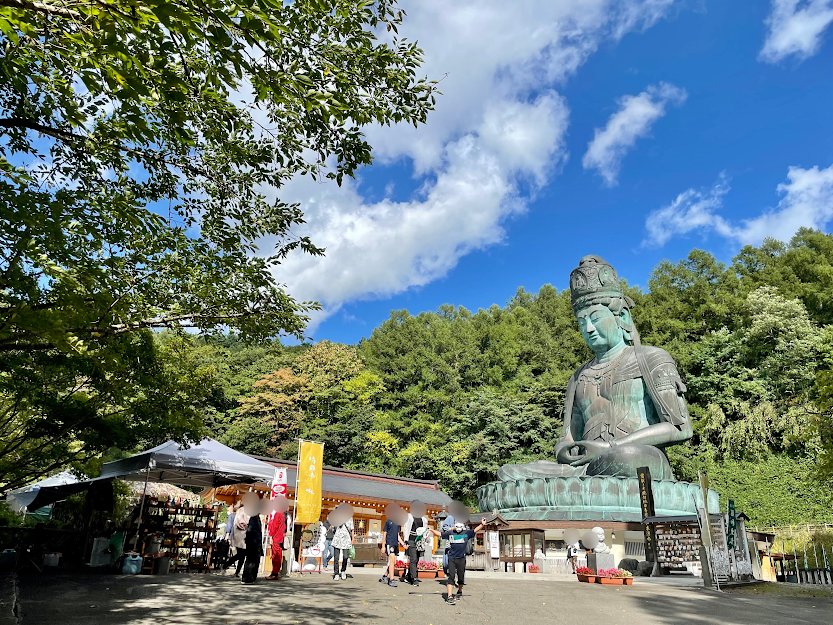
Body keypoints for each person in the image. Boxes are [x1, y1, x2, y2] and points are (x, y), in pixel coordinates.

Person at [429, 518, 486, 605]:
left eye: (460, 525)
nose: (458, 527)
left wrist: (482, 524)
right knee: (451, 577)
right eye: (457, 525)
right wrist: (432, 530)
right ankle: (449, 596)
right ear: (454, 525)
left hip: (461, 558)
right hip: (451, 558)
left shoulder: (466, 533)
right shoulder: (450, 533)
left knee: (460, 578)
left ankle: (459, 590)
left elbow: (475, 530)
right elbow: (440, 534)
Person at [402, 504, 430, 586]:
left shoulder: (424, 519)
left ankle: (409, 576)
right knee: (413, 559)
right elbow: (406, 528)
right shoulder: (409, 516)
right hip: (411, 538)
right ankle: (414, 578)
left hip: (419, 540)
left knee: (417, 559)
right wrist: (405, 540)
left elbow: (425, 529)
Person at [241, 498, 263, 585]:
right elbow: (250, 530)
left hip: (254, 541)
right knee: (252, 561)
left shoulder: (255, 518)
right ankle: (248, 577)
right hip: (253, 542)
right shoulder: (254, 518)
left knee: (252, 560)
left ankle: (249, 577)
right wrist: (251, 540)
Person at [224, 502, 250, 576]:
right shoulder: (243, 511)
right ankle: (226, 566)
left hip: (239, 536)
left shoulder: (240, 511)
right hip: (241, 536)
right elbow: (241, 523)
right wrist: (248, 526)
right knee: (241, 555)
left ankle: (236, 571)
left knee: (241, 555)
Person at [379, 515, 404, 587]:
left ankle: (385, 576)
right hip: (389, 543)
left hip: (395, 544)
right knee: (392, 560)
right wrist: (383, 546)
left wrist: (402, 543)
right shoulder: (388, 521)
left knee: (394, 562)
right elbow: (384, 533)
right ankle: (391, 580)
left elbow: (397, 535)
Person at [330, 517, 352, 581]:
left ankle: (343, 571)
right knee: (336, 557)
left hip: (346, 540)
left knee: (345, 556)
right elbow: (333, 527)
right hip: (337, 539)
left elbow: (352, 529)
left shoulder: (350, 518)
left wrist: (352, 539)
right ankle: (336, 573)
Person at [266, 509, 286, 580]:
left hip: (276, 537)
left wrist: (271, 536)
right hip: (280, 537)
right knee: (278, 555)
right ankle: (276, 572)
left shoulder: (278, 513)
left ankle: (274, 573)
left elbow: (275, 525)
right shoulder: (284, 513)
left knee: (275, 555)